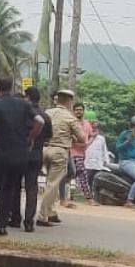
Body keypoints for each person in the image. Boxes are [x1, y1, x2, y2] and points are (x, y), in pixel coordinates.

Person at [0, 77, 44, 236]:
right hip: (20, 153)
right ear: (11, 87)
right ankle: (2, 226)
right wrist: (30, 138)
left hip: (2, 151)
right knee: (9, 188)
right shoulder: (24, 104)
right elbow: (39, 121)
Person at [39, 89, 85, 225]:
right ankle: (42, 216)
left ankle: (51, 212)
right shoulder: (70, 117)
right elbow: (82, 138)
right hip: (60, 151)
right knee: (53, 184)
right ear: (69, 102)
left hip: (45, 149)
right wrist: (72, 137)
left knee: (50, 181)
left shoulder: (47, 112)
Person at [22, 87, 52, 230]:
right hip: (37, 154)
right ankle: (29, 222)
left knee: (14, 185)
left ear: (27, 97)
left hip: (21, 152)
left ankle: (14, 217)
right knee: (32, 187)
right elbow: (48, 137)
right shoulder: (45, 116)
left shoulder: (22, 114)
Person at [117, 116, 135, 208]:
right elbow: (118, 148)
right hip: (126, 161)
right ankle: (129, 201)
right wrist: (128, 141)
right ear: (131, 126)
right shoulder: (124, 134)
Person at [71, 108, 98, 202]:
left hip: (81, 154)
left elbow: (91, 137)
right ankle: (88, 198)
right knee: (77, 173)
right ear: (73, 111)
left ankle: (88, 197)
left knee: (81, 174)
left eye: (80, 110)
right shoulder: (71, 122)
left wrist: (87, 144)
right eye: (76, 110)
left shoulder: (87, 124)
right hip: (70, 153)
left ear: (83, 111)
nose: (78, 112)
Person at [82, 120, 108, 204]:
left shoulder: (101, 139)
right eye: (92, 127)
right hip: (88, 163)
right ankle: (89, 198)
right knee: (88, 180)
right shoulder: (85, 138)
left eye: (96, 127)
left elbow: (104, 150)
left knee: (97, 181)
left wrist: (106, 161)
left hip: (98, 163)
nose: (94, 129)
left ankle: (97, 198)